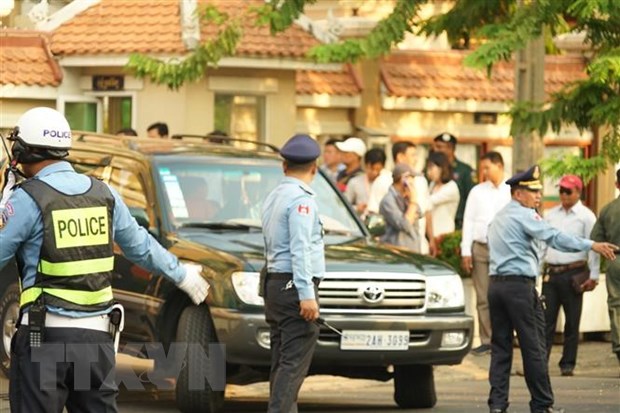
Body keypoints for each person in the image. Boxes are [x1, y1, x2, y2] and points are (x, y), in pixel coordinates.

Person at [0, 107, 209, 412]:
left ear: (25, 150)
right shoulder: (105, 193)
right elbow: (141, 247)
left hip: (43, 340)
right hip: (96, 341)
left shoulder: (28, 198)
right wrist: (182, 275)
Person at [486, 165, 617, 413]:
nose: (538, 196)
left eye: (539, 191)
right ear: (517, 194)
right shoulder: (525, 215)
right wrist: (592, 245)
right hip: (518, 288)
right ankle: (542, 404)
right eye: (532, 191)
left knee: (501, 347)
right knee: (533, 346)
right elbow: (555, 237)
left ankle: (497, 405)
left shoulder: (499, 216)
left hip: (496, 287)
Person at [261, 134, 325, 413]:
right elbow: (300, 248)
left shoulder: (274, 196)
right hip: (293, 286)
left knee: (282, 361)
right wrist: (307, 294)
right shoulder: (303, 200)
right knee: (292, 365)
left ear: (284, 166)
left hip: (275, 284)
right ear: (315, 168)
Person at [542, 174, 599, 377]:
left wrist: (593, 274)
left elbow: (593, 247)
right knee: (545, 321)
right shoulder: (550, 215)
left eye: (568, 191)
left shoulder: (586, 216)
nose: (564, 195)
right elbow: (543, 243)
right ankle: (541, 361)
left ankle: (568, 363)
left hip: (574, 272)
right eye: (561, 191)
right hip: (552, 272)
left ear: (578, 192)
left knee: (572, 322)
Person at [461, 151, 511, 356]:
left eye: (487, 167)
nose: (484, 172)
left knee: (504, 295)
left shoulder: (512, 190)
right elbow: (468, 221)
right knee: (483, 296)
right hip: (480, 248)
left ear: (499, 166)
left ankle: (504, 339)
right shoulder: (477, 192)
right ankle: (487, 340)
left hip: (505, 249)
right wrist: (466, 251)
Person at [368, 141, 435, 255]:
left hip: (417, 247)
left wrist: (431, 239)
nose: (416, 159)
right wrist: (412, 203)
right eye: (413, 155)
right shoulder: (384, 186)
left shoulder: (417, 185)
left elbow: (421, 213)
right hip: (396, 251)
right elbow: (405, 225)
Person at [590, 168, 620, 368]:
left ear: (617, 184)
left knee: (617, 306)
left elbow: (595, 239)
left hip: (615, 259)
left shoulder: (608, 209)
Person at [432, 132, 475, 230]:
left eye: (439, 147)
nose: (435, 150)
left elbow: (471, 197)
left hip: (458, 223)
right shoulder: (431, 170)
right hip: (435, 223)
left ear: (450, 148)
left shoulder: (465, 170)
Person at [378, 163, 421, 252]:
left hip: (412, 250)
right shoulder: (388, 201)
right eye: (411, 178)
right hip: (398, 252)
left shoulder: (407, 197)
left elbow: (419, 213)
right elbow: (405, 225)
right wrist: (412, 203)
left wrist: (411, 201)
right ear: (403, 179)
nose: (413, 181)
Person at [344, 148, 390, 218]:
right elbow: (343, 206)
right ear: (365, 165)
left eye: (378, 169)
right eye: (371, 168)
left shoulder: (387, 183)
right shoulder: (354, 182)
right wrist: (357, 208)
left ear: (383, 167)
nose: (374, 173)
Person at [426, 151, 460, 239]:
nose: (429, 172)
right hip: (431, 234)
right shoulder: (432, 185)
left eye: (431, 168)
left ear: (441, 168)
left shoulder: (451, 187)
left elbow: (428, 202)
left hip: (444, 235)